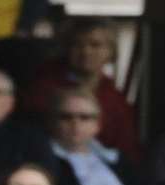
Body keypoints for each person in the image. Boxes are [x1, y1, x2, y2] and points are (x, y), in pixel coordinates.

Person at [22, 18, 138, 162]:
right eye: (77, 44)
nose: (86, 51)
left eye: (95, 45)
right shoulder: (43, 86)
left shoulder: (116, 99)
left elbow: (125, 149)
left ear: (111, 52)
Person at [45, 88, 147, 185]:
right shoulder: (44, 160)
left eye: (85, 118)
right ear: (52, 121)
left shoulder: (115, 159)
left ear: (97, 125)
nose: (75, 124)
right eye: (66, 117)